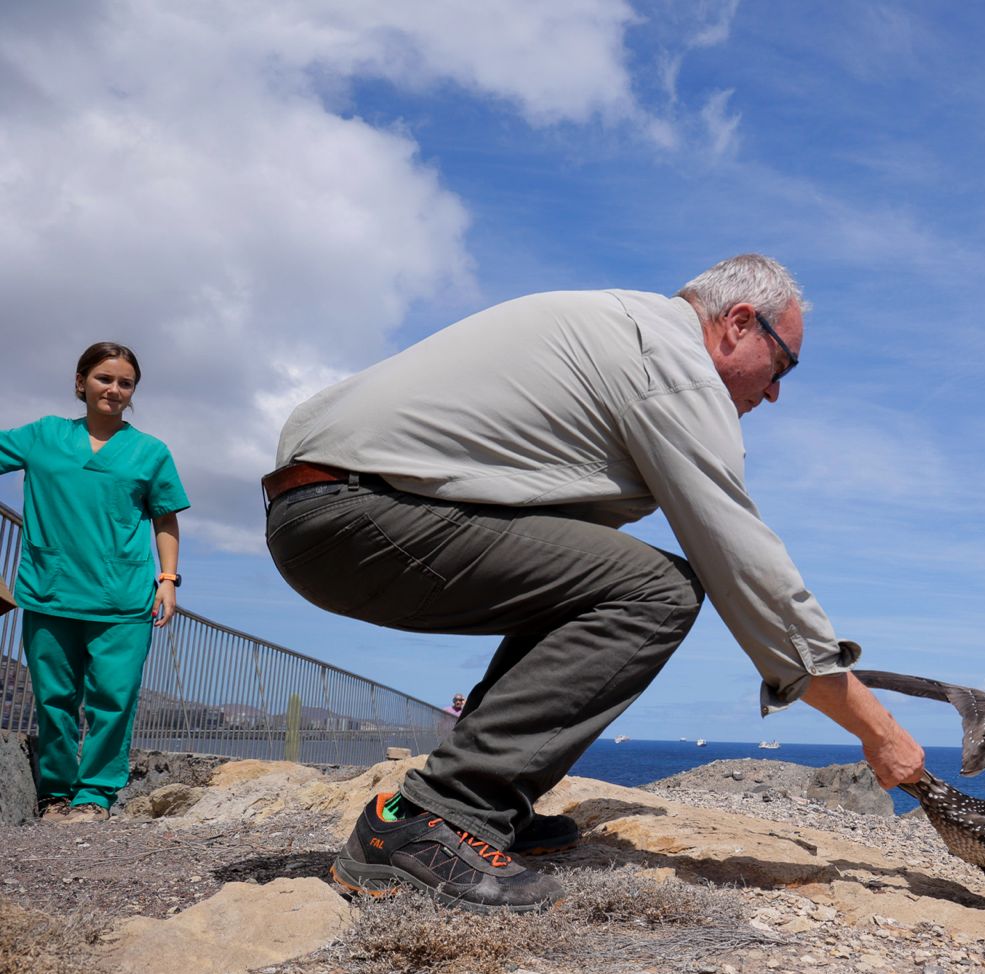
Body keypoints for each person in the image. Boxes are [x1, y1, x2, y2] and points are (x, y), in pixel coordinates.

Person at [264, 254, 925, 912]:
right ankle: (433, 820)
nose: (776, 392)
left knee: (595, 570)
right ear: (739, 324)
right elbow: (744, 565)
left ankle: (489, 803)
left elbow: (553, 554)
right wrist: (878, 731)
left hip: (328, 507)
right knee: (657, 590)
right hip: (351, 516)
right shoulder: (672, 367)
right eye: (781, 366)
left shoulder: (621, 326)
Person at [0, 342, 189, 823]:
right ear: (81, 382)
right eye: (105, 378)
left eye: (125, 383)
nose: (114, 389)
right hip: (49, 591)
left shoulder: (150, 452)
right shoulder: (42, 435)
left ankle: (95, 796)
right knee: (55, 700)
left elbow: (164, 520)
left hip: (123, 599)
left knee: (113, 701)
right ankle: (56, 794)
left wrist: (167, 579)